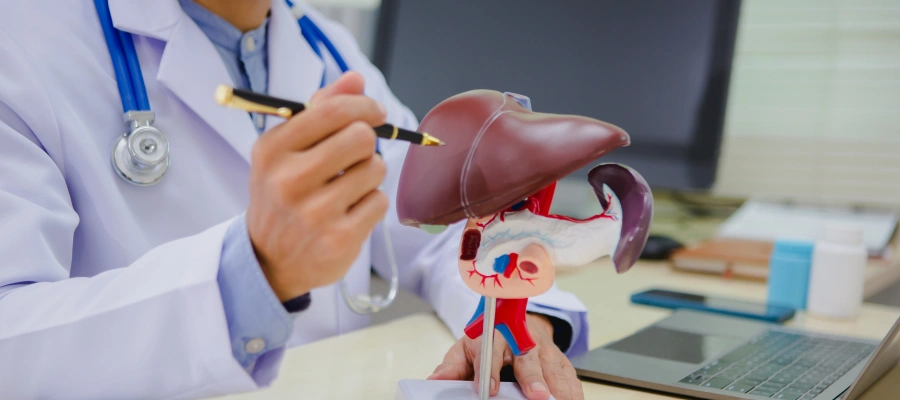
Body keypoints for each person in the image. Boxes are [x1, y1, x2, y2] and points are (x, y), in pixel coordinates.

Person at [0, 1, 588, 399]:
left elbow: (437, 235)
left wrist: (512, 318)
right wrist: (247, 274)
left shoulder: (323, 45)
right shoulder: (21, 45)